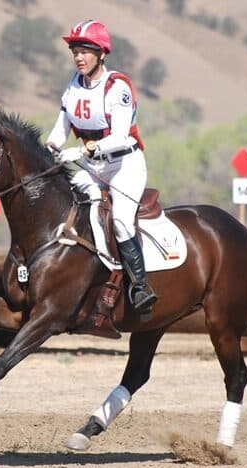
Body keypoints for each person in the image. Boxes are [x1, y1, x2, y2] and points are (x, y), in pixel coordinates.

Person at [46, 19, 157, 316]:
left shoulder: (117, 87)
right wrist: (49, 148)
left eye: (85, 51)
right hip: (94, 167)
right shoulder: (73, 85)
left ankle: (140, 287)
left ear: (101, 54)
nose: (78, 57)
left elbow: (119, 136)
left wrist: (82, 150)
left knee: (120, 220)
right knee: (66, 206)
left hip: (124, 165)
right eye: (75, 52)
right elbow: (60, 130)